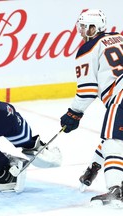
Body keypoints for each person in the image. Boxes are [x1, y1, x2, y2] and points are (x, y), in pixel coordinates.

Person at [60, 9, 123, 207]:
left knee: (113, 139)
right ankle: (94, 167)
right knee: (115, 138)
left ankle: (116, 191)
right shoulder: (119, 37)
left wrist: (73, 113)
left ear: (93, 27)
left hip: (121, 93)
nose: (80, 31)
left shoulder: (87, 49)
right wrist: (94, 166)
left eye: (83, 26)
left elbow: (87, 91)